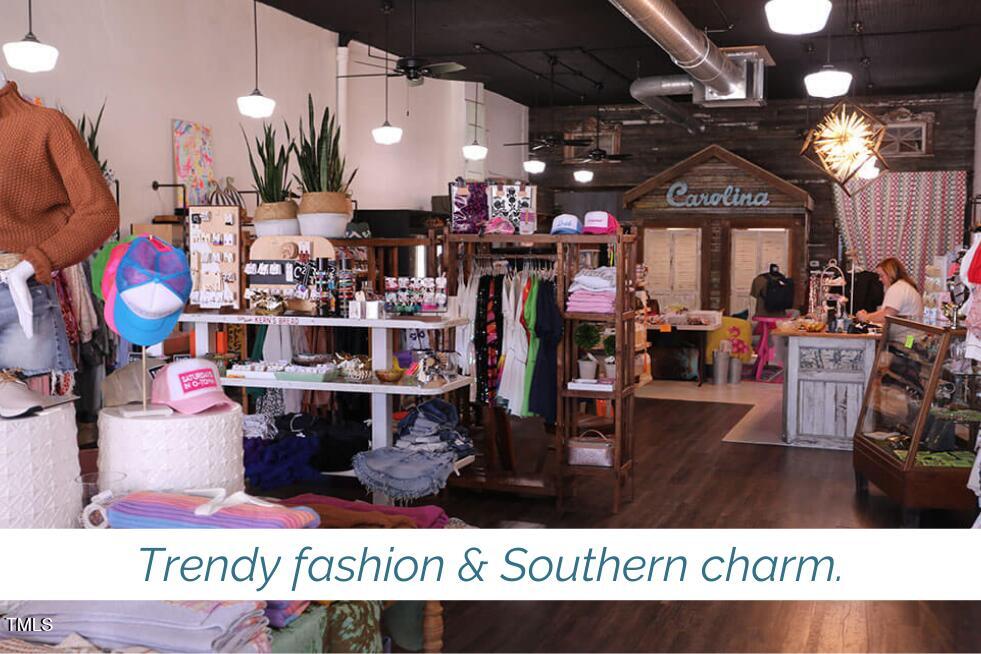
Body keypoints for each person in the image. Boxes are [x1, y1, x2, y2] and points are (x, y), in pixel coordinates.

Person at [855, 258, 923, 323]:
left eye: (881, 275)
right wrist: (868, 315)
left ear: (891, 274)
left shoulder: (897, 288)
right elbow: (886, 312)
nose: (879, 279)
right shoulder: (904, 286)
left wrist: (866, 317)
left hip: (905, 331)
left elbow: (887, 316)